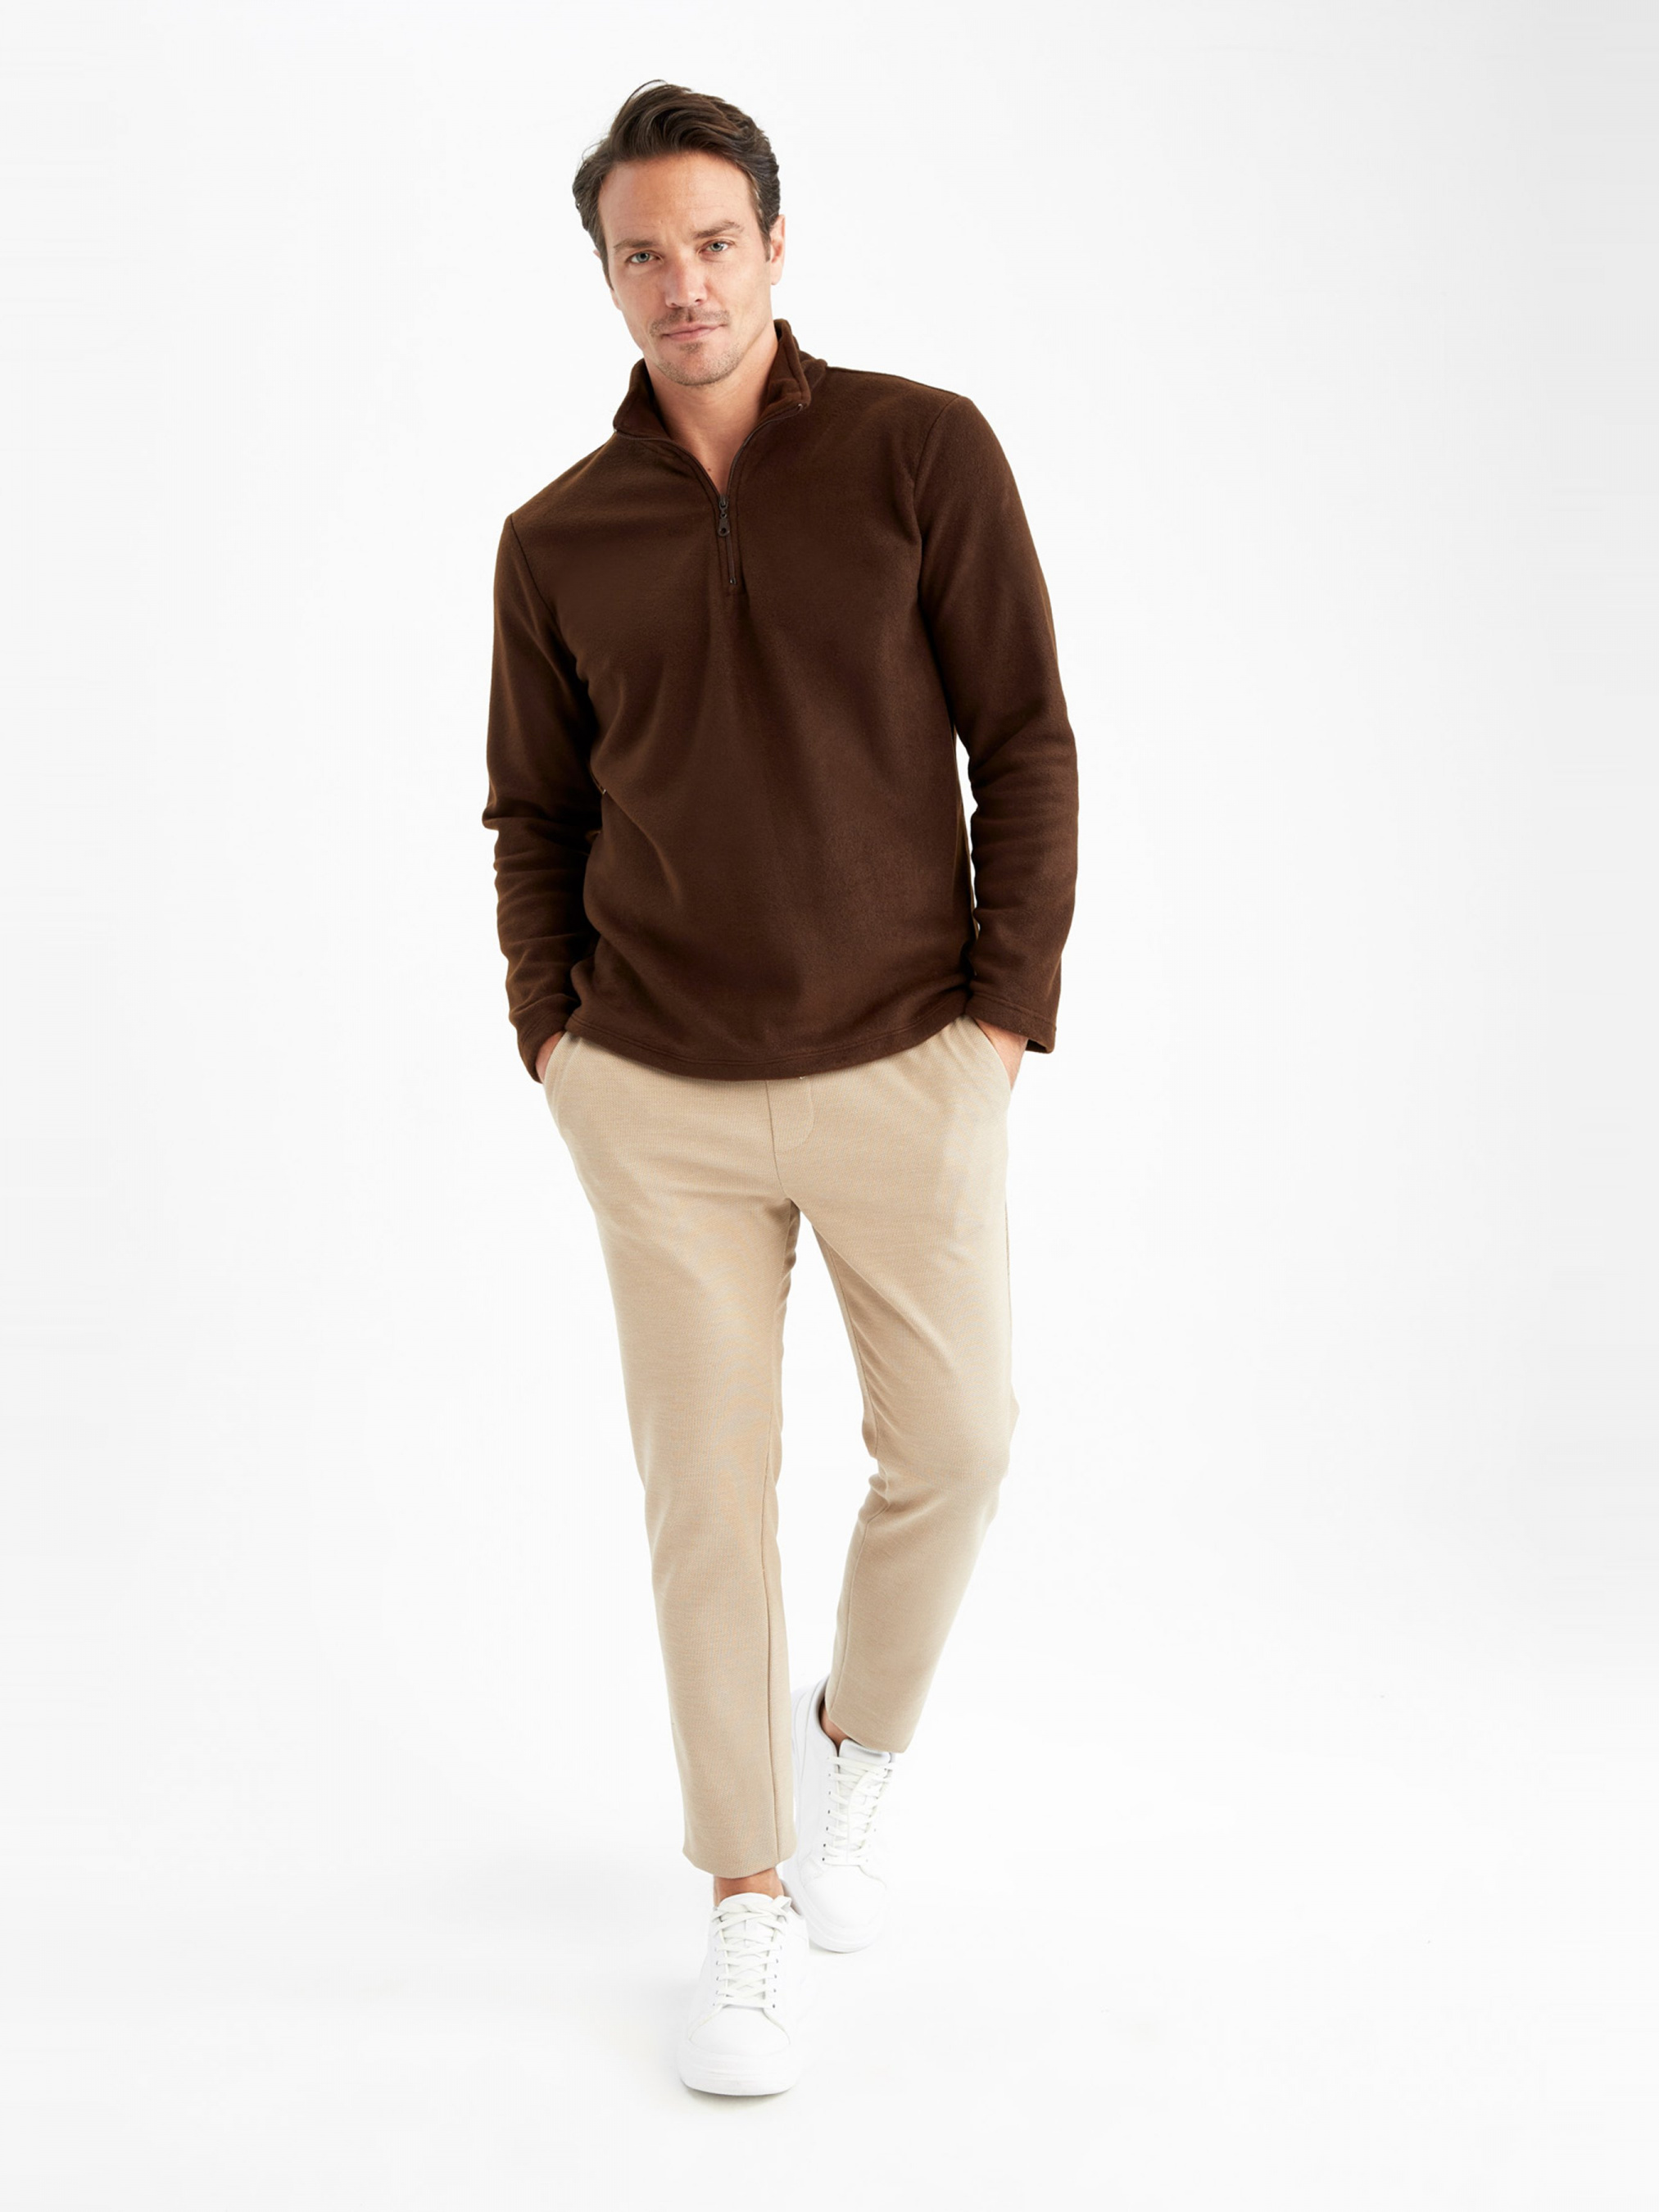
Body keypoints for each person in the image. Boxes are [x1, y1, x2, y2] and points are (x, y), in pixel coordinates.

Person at [482, 79, 1078, 2096]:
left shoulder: (920, 451)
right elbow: (532, 815)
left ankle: (852, 1748)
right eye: (640, 254)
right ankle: (742, 1893)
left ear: (774, 246)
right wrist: (552, 1039)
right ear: (607, 278)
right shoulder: (557, 538)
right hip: (654, 1095)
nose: (683, 284)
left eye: (712, 242)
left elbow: (1025, 740)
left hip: (907, 1060)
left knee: (958, 1446)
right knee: (705, 1504)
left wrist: (997, 1024)